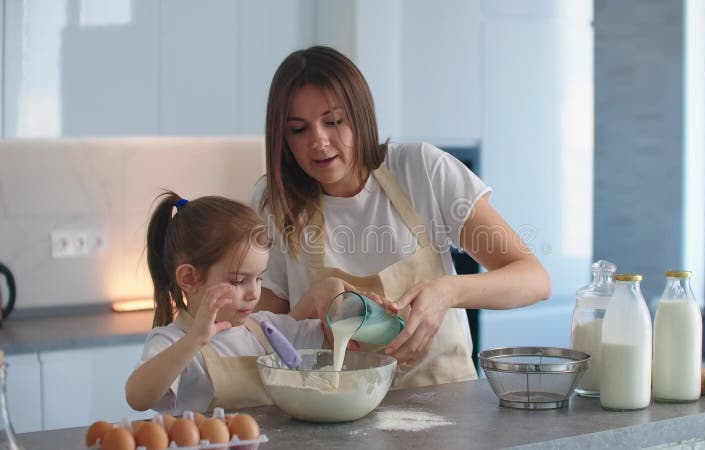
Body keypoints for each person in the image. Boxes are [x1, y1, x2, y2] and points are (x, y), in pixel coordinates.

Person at [254, 45, 551, 388]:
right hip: (333, 408)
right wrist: (310, 302)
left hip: (445, 403)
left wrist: (448, 292)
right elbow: (266, 336)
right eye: (298, 129)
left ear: (360, 115)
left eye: (334, 121)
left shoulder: (421, 170)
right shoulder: (275, 202)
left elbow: (533, 279)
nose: (319, 141)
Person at [126, 192, 338, 413]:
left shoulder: (268, 329)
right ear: (189, 278)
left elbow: (335, 341)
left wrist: (343, 303)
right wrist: (195, 340)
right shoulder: (172, 341)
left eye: (259, 278)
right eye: (238, 281)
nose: (254, 293)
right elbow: (138, 398)